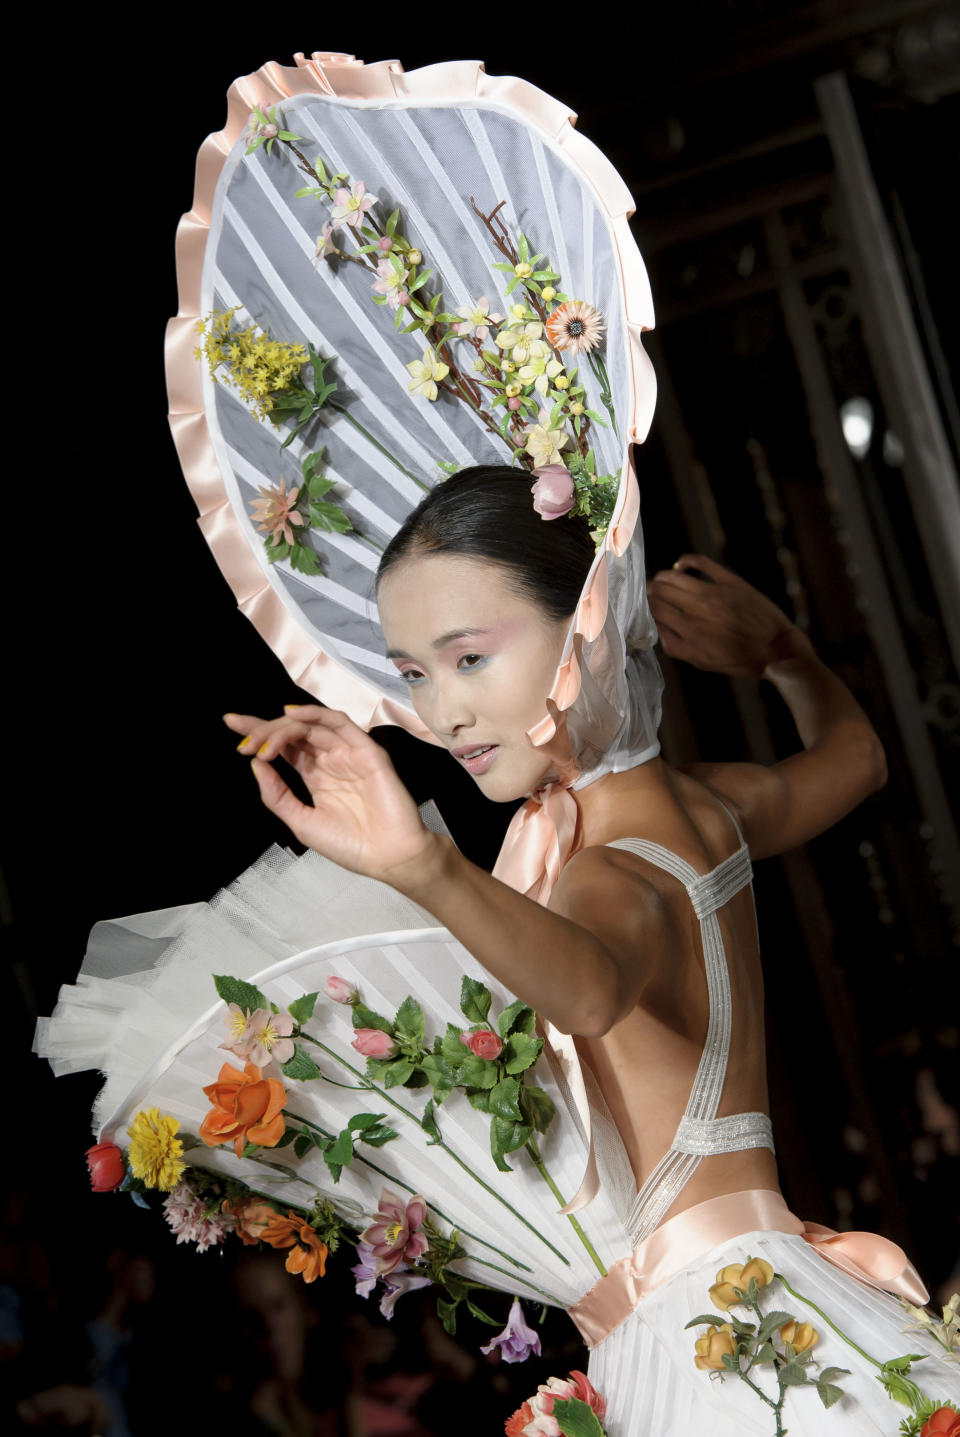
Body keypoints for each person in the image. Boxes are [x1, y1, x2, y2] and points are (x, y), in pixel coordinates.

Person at [215, 464, 957, 1434]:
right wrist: (784, 656)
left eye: (469, 658)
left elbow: (593, 990)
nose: (443, 715)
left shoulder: (606, 872)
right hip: (757, 1291)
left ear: (586, 627)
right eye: (412, 675)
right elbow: (857, 760)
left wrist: (425, 867)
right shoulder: (706, 807)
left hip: (705, 1336)